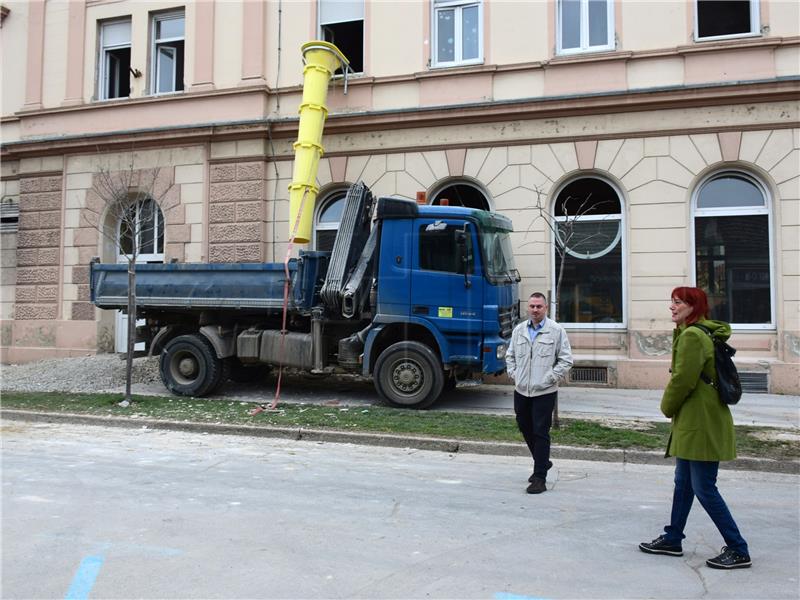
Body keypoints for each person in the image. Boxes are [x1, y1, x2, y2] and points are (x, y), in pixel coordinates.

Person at [639, 286, 751, 569]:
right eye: (672, 302)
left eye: (678, 302)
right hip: (695, 418)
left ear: (693, 307)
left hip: (701, 421)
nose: (672, 307)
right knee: (684, 483)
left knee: (704, 487)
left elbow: (683, 381)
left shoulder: (692, 336)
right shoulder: (695, 332)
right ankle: (673, 538)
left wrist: (666, 407)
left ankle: (738, 549)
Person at [505, 292, 573, 494]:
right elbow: (510, 356)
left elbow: (566, 360)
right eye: (532, 306)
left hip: (544, 391)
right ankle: (543, 461)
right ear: (527, 308)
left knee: (540, 431)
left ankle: (539, 478)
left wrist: (550, 378)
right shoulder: (519, 330)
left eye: (539, 307)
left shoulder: (556, 331)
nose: (535, 310)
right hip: (522, 390)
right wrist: (514, 374)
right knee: (524, 427)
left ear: (545, 308)